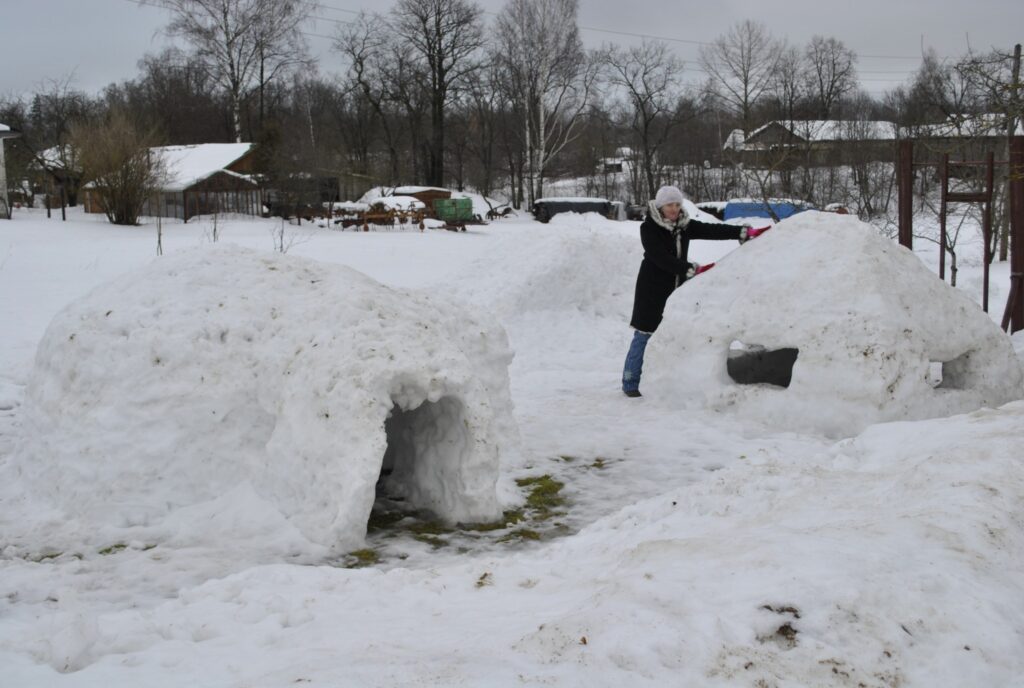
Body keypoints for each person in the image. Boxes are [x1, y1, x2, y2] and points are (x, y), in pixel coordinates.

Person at [622, 185, 757, 397]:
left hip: (677, 287)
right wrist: (689, 269)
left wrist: (740, 232)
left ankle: (670, 378)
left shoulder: (683, 225)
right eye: (669, 205)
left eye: (677, 204)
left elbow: (710, 230)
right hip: (652, 288)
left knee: (676, 332)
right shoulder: (648, 228)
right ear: (660, 206)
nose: (674, 209)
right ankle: (630, 382)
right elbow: (658, 257)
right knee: (644, 334)